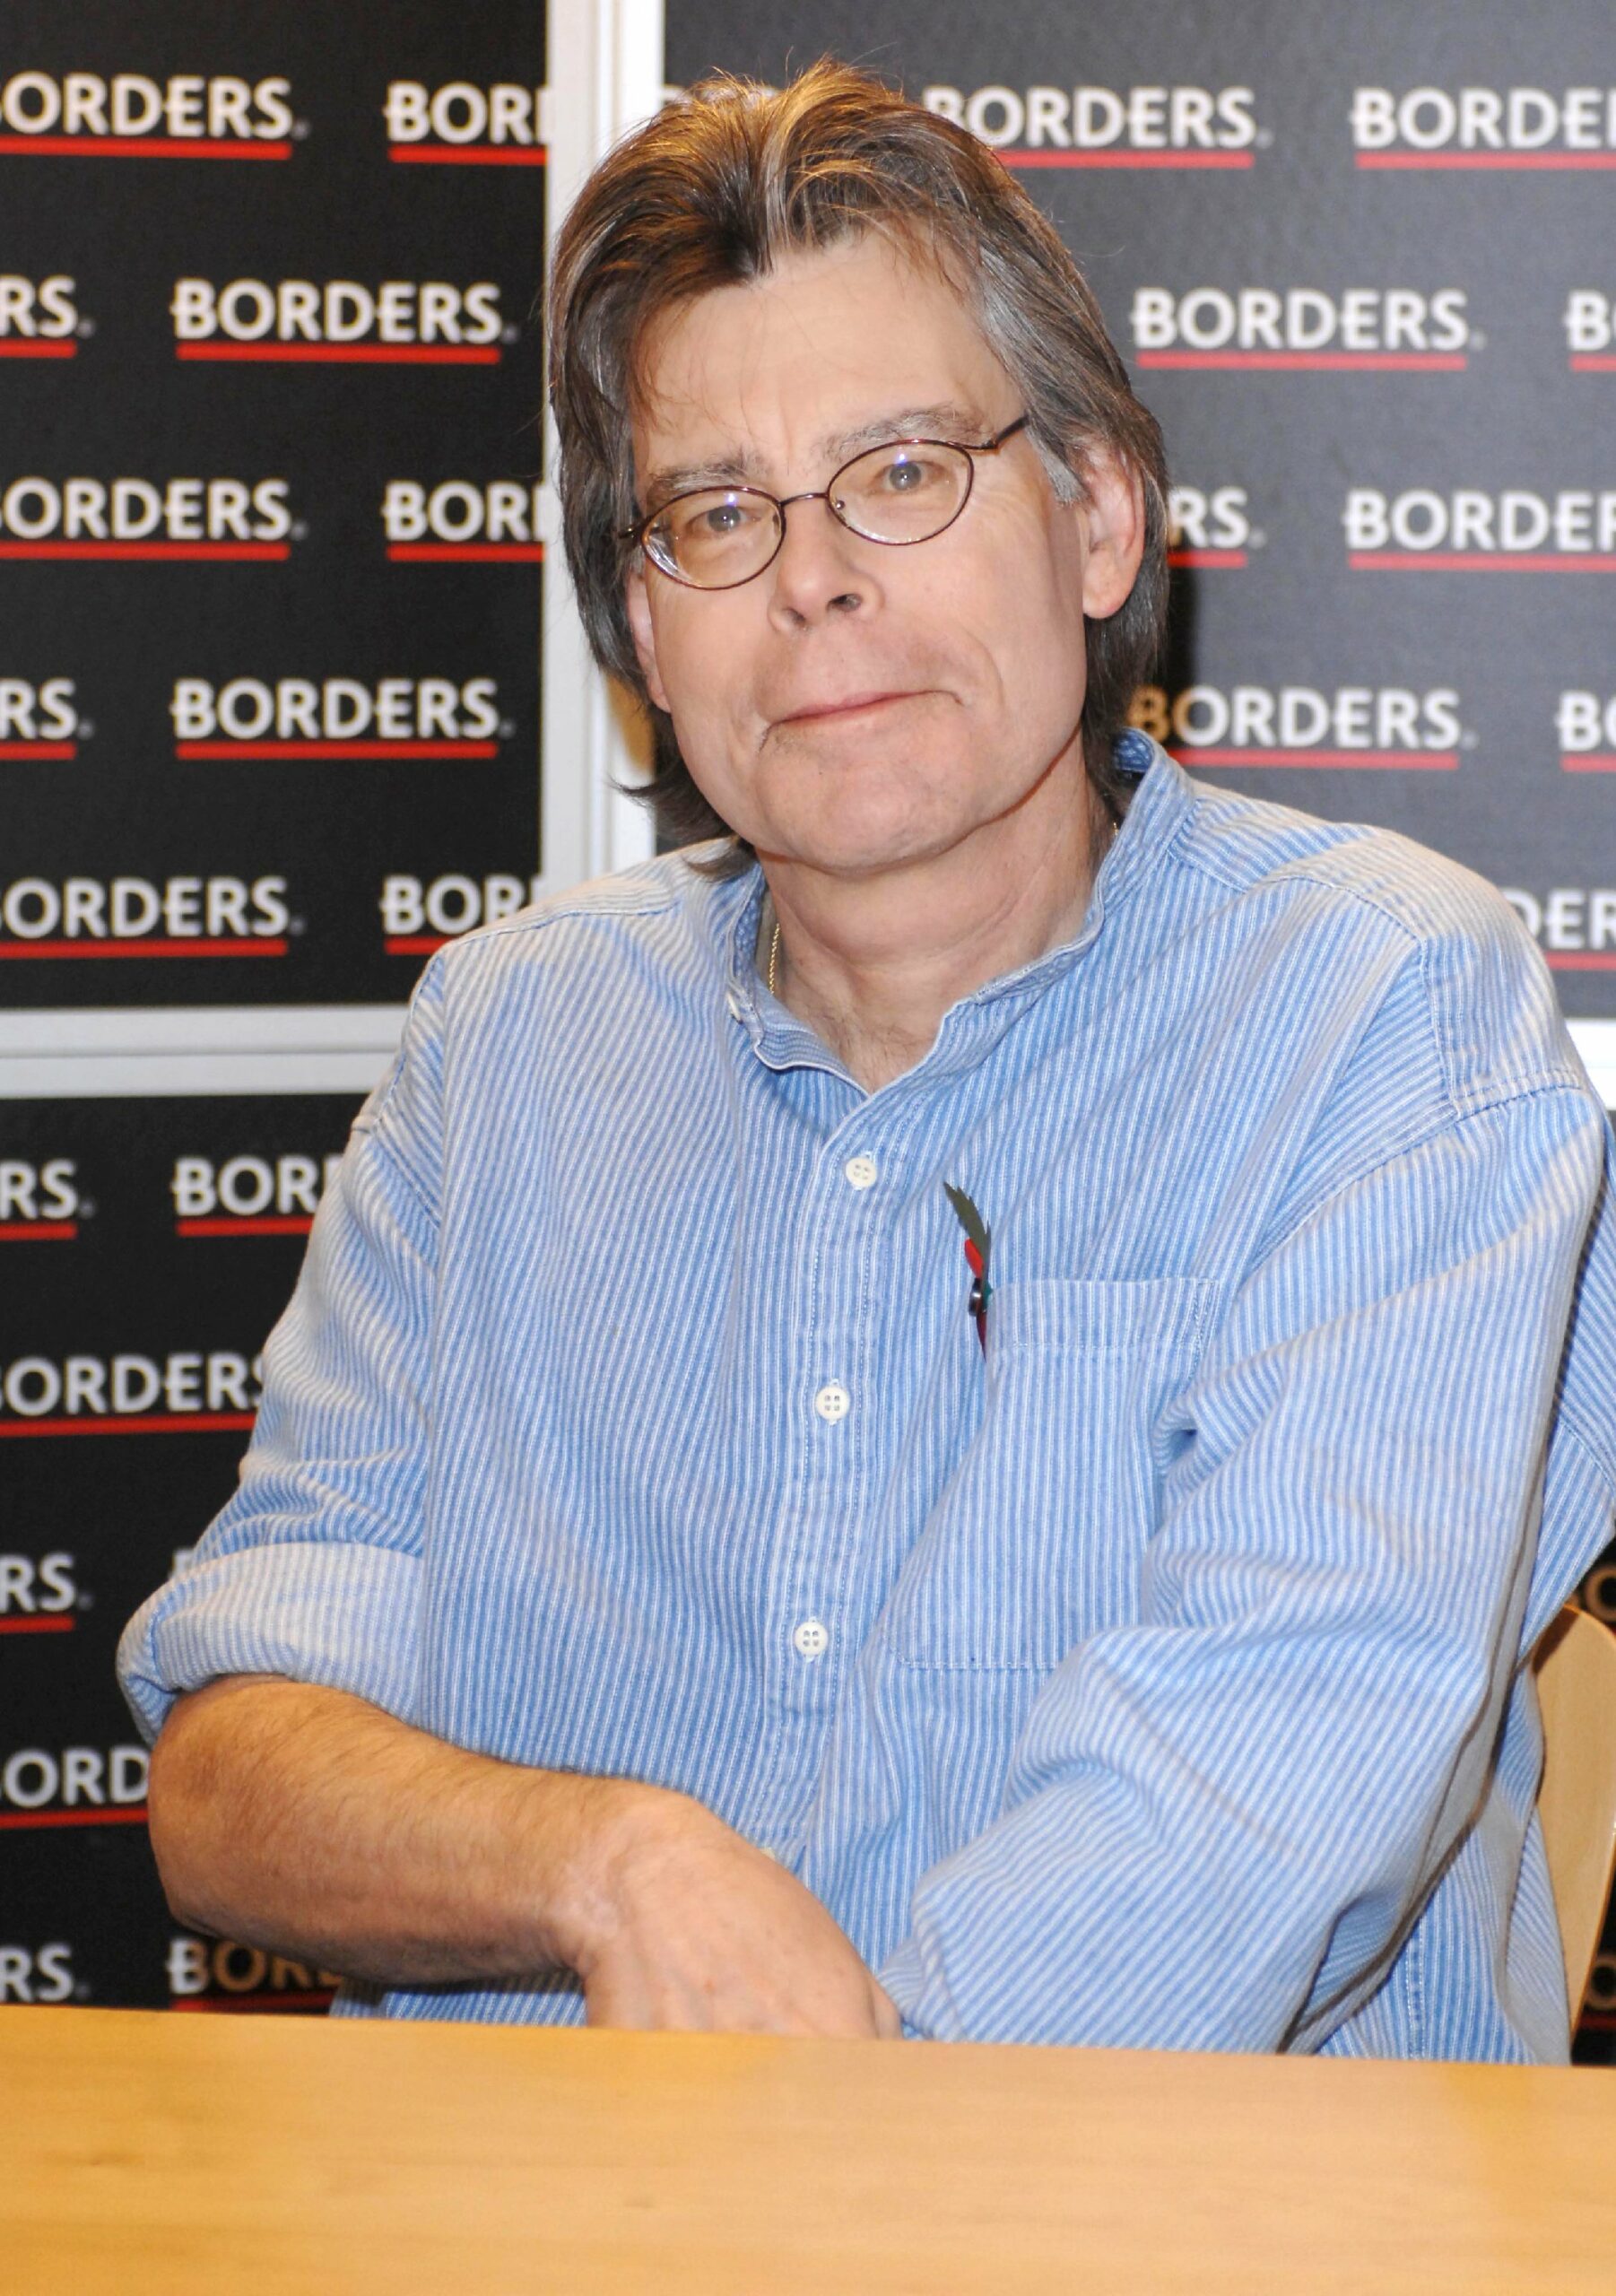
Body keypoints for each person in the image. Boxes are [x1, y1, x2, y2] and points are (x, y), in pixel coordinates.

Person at [120, 62, 1616, 2059]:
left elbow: (1250, 1817)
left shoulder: (1384, 1014)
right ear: (643, 636)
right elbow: (233, 1776)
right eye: (716, 513)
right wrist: (604, 1859)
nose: (813, 578)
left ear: (1097, 522)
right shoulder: (505, 1047)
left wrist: (801, 2180)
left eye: (901, 471)